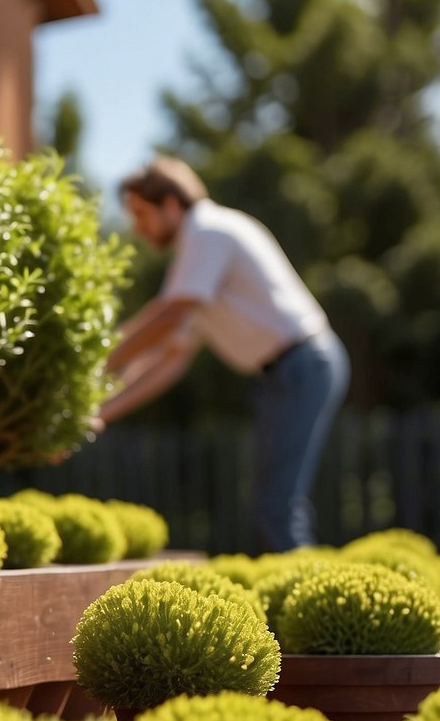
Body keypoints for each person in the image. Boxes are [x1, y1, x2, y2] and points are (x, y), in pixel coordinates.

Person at [99, 155, 349, 551]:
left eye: (142, 214)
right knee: (275, 506)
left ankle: (309, 604)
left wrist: (101, 360)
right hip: (291, 371)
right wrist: (101, 412)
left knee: (275, 508)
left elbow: (169, 315)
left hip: (302, 365)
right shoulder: (197, 257)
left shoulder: (207, 233)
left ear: (170, 204)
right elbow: (170, 359)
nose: (137, 228)